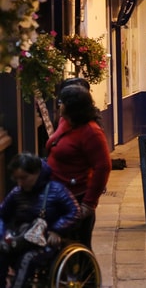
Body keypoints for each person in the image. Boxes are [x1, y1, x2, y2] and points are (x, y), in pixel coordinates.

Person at [44, 84, 111, 247]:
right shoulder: (64, 122)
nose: (59, 105)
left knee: (77, 246)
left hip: (76, 198)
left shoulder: (91, 132)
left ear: (71, 106)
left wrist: (88, 203)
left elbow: (103, 166)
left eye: (62, 102)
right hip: (55, 195)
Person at [0, 154, 80, 287]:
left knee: (27, 259)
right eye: (17, 179)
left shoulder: (56, 190)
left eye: (24, 178)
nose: (20, 183)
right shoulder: (16, 193)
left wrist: (56, 230)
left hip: (45, 242)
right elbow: (2, 215)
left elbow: (74, 212)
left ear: (37, 172)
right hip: (20, 238)